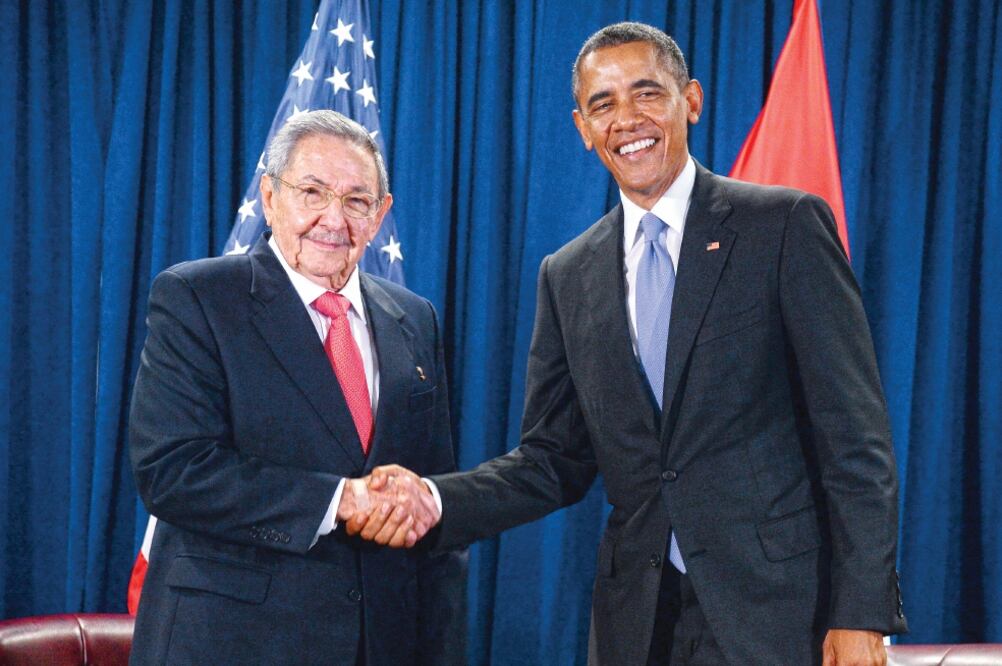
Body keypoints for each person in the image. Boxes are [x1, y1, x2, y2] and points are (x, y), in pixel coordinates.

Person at [351, 22, 907, 666]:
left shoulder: (781, 226)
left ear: (690, 100)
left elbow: (855, 439)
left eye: (647, 93)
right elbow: (552, 460)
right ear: (583, 128)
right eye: (603, 104)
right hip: (638, 623)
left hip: (781, 615)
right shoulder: (567, 274)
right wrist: (434, 499)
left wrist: (860, 612)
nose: (627, 120)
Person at [128, 110, 464, 665]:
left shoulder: (414, 317)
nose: (334, 219)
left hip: (382, 643)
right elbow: (173, 471)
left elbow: (433, 503)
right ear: (269, 195)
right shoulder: (199, 298)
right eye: (312, 191)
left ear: (380, 216)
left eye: (357, 201)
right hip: (232, 643)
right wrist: (339, 501)